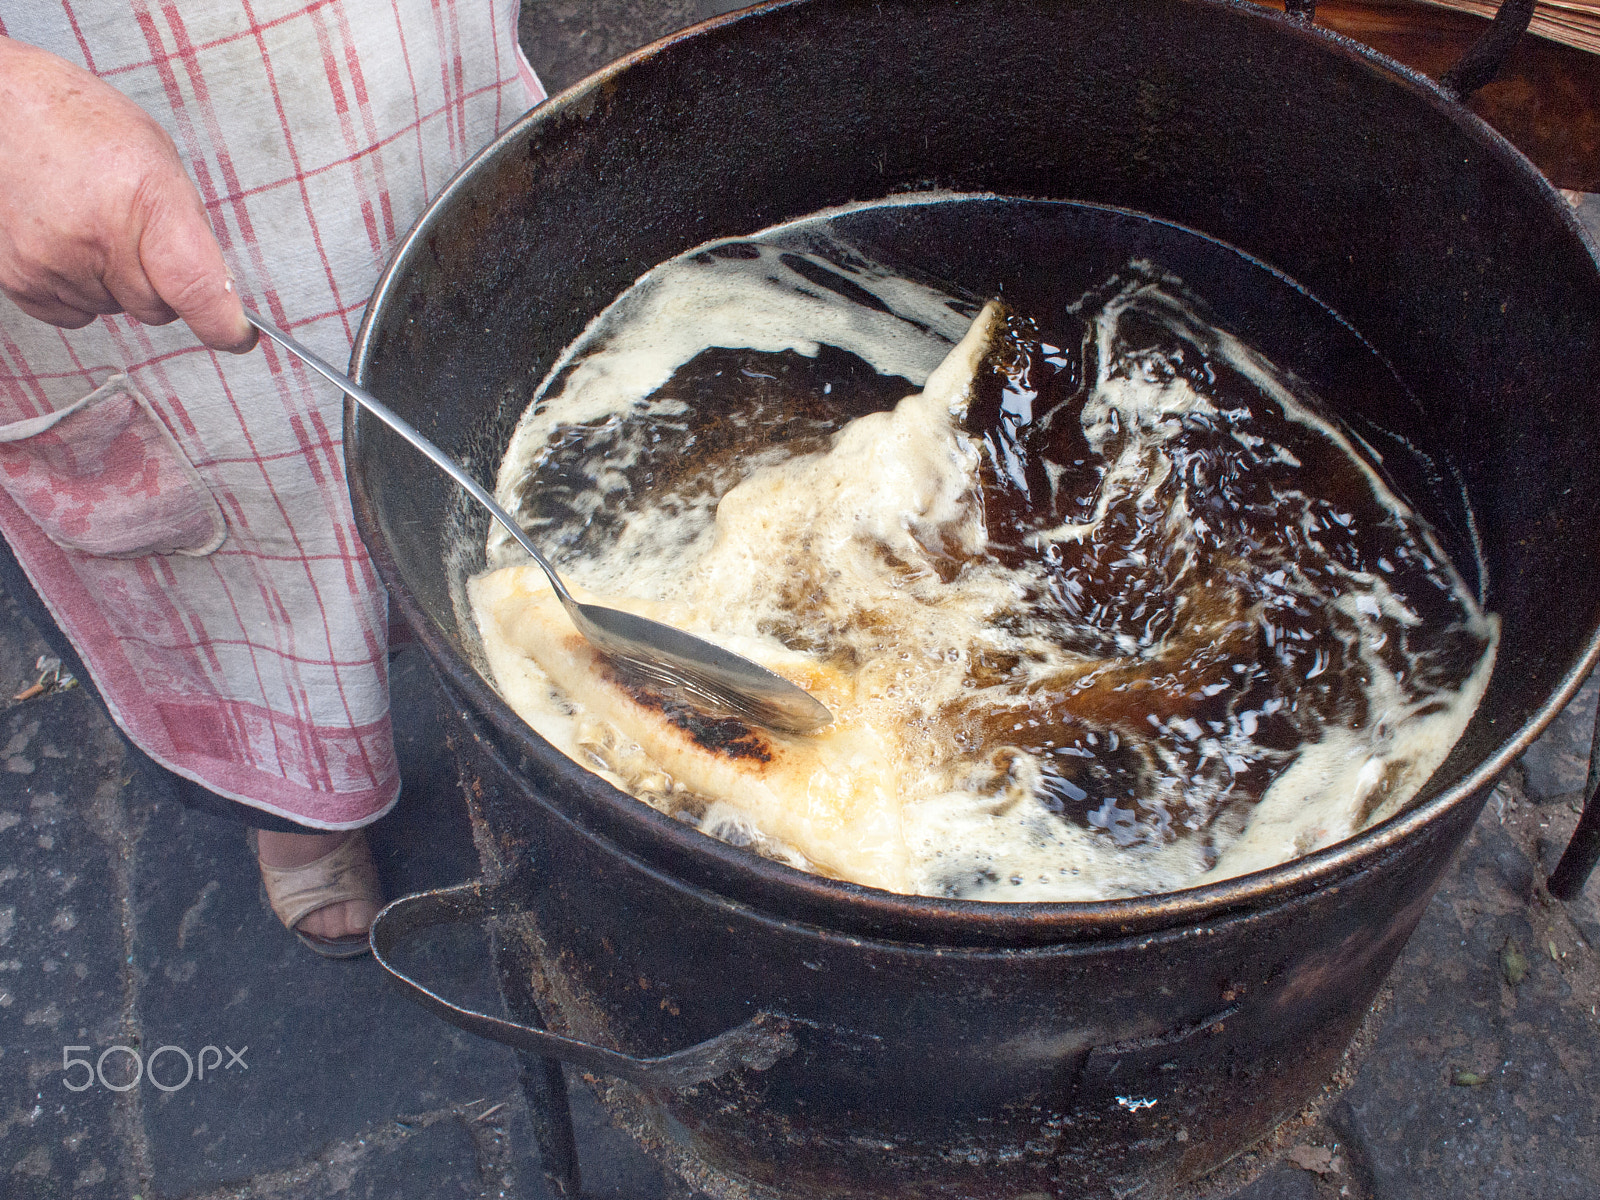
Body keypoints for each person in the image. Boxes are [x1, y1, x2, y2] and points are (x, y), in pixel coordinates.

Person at [0, 3, 543, 955]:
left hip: (400, 55)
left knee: (474, 361)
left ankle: (500, 653)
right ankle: (301, 794)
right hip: (88, 120)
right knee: (239, 529)